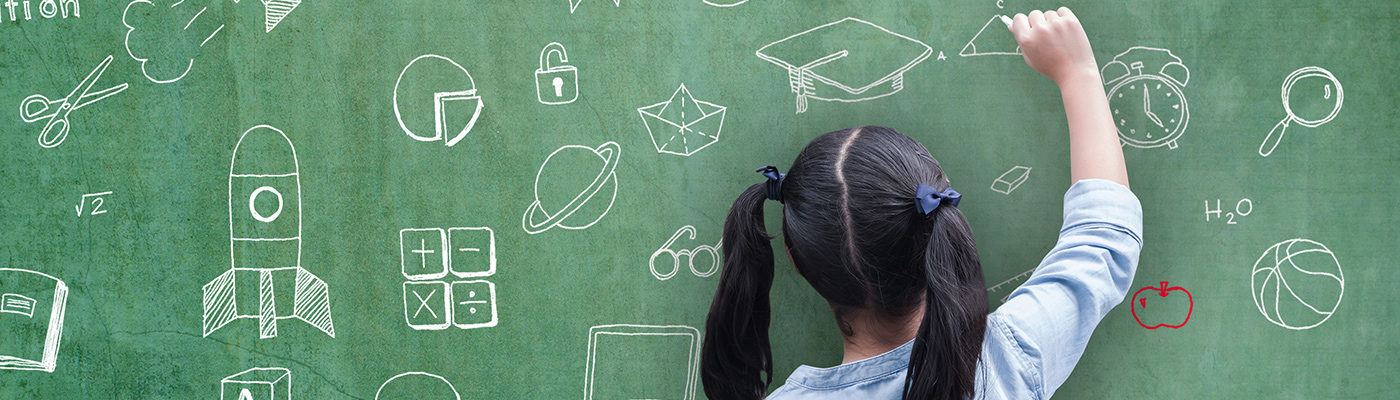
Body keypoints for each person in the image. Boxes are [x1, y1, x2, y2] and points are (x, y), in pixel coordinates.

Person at [700, 7, 1143, 400]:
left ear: (795, 260)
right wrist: (1078, 73)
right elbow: (1103, 239)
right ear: (938, 220)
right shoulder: (1009, 359)